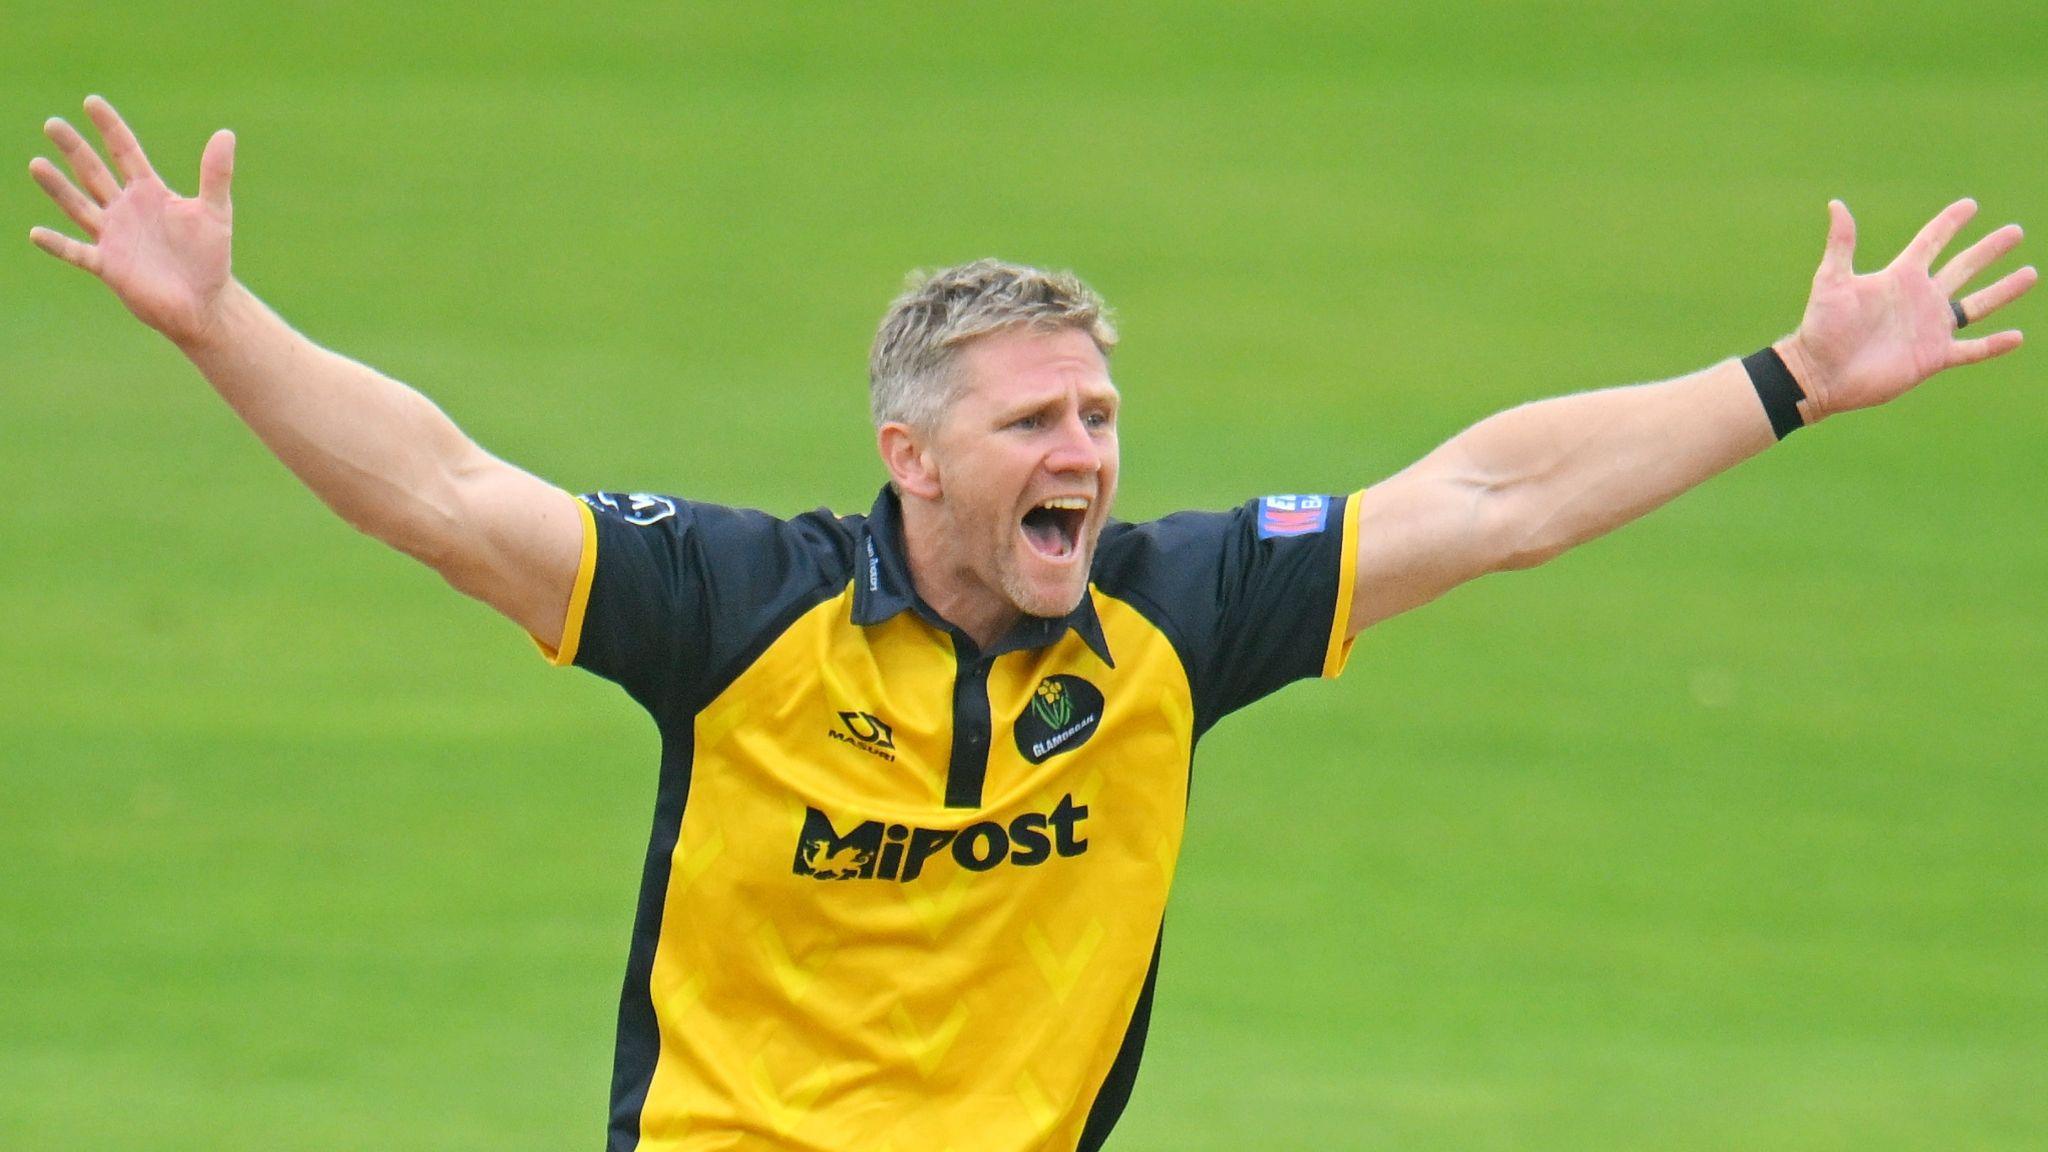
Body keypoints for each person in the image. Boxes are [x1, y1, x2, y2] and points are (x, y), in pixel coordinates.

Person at [29, 96, 2035, 1152]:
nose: (1085, 446)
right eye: (1034, 418)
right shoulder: (736, 610)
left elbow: (1488, 500)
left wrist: (1783, 377)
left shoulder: (1174, 619)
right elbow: (449, 495)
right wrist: (215, 320)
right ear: (910, 452)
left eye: (1099, 413)